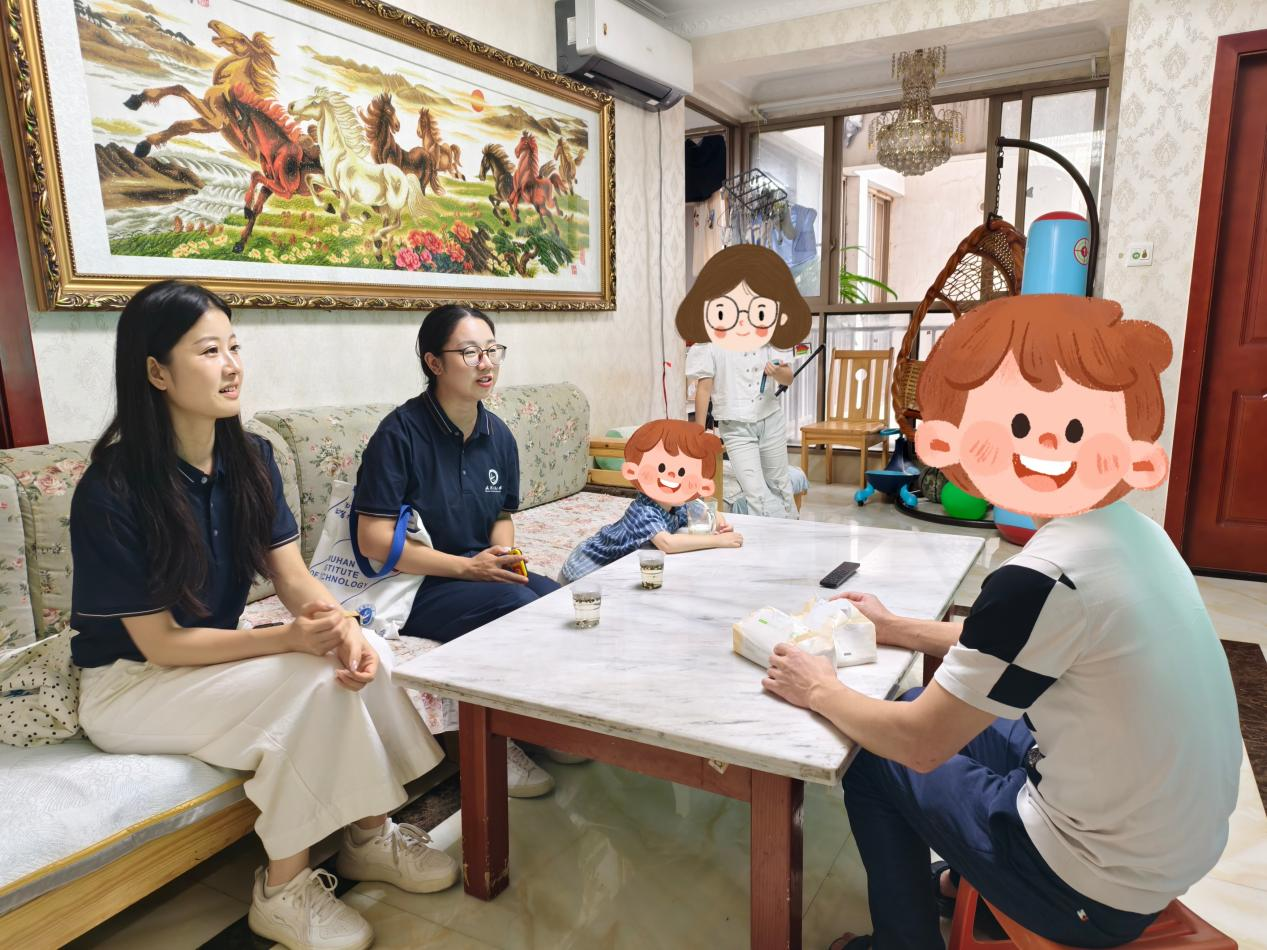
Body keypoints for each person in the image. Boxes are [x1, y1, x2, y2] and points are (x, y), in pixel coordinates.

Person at [761, 295, 1241, 950]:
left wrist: (818, 688)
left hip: (1094, 888)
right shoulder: (1133, 531)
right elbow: (1026, 646)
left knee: (876, 760)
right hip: (1167, 844)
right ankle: (972, 886)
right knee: (915, 702)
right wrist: (900, 628)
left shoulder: (1039, 578)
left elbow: (919, 746)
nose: (1043, 443)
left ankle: (907, 941)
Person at [71, 281, 457, 950]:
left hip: (203, 661)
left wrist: (338, 624)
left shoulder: (252, 458)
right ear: (157, 372)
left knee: (364, 653)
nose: (231, 366)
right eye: (208, 351)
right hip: (130, 683)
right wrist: (288, 638)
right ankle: (282, 891)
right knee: (314, 682)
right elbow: (161, 644)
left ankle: (368, 838)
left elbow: (291, 573)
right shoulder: (112, 489)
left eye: (234, 346)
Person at [353, 304, 561, 797]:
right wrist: (467, 569)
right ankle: (491, 745)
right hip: (415, 583)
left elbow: (502, 514)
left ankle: (547, 725)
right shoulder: (400, 434)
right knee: (516, 607)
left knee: (559, 603)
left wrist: (501, 554)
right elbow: (373, 538)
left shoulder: (498, 435)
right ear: (434, 363)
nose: (485, 363)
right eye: (470, 352)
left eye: (492, 350)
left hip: (476, 569)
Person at [678, 244, 811, 519]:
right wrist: (699, 433)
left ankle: (793, 533)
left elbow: (788, 377)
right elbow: (704, 388)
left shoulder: (766, 331)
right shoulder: (709, 341)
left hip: (770, 419)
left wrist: (777, 373)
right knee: (756, 495)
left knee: (781, 485)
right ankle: (771, 541)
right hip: (736, 427)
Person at [559, 419, 743, 584]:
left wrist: (720, 523)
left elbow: (704, 510)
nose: (672, 476)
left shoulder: (676, 503)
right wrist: (718, 540)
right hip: (583, 570)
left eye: (683, 472)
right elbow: (667, 544)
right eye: (661, 467)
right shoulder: (642, 511)